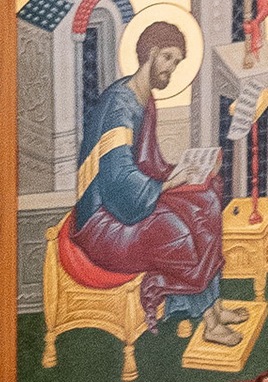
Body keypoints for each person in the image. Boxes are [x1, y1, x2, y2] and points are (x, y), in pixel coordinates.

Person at [56, 18, 223, 332]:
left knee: (205, 201)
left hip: (129, 205)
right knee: (174, 231)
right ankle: (208, 323)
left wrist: (186, 173)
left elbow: (148, 164)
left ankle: (215, 308)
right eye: (168, 59)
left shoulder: (144, 99)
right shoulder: (119, 106)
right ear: (153, 52)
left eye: (177, 62)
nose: (171, 69)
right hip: (102, 222)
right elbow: (119, 182)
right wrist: (172, 181)